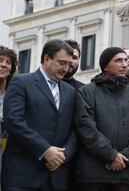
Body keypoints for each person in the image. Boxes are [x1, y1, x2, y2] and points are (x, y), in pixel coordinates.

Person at [2, 39, 77, 191]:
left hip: (56, 178)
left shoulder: (71, 92)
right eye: (62, 63)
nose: (66, 68)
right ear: (46, 59)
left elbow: (75, 128)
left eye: (69, 64)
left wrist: (63, 155)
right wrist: (45, 150)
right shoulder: (21, 83)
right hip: (23, 176)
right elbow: (14, 122)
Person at [75, 47, 129, 190]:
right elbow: (86, 129)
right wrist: (111, 156)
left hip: (125, 174)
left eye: (125, 60)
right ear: (105, 66)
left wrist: (125, 157)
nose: (125, 64)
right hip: (93, 174)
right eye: (119, 60)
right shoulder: (87, 92)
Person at [0, 46, 18, 190]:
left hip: (9, 154)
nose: (3, 65)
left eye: (8, 62)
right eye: (0, 60)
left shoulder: (17, 94)